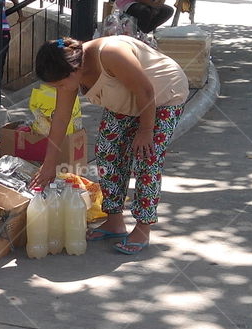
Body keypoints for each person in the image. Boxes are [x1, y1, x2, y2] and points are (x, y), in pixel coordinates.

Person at [30, 36, 188, 255]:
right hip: (126, 101)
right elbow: (61, 117)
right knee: (107, 151)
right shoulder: (69, 72)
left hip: (162, 96)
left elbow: (146, 91)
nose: (60, 88)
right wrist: (49, 163)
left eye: (60, 84)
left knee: (147, 158)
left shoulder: (111, 53)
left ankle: (143, 229)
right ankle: (115, 222)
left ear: (74, 70)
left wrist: (145, 131)